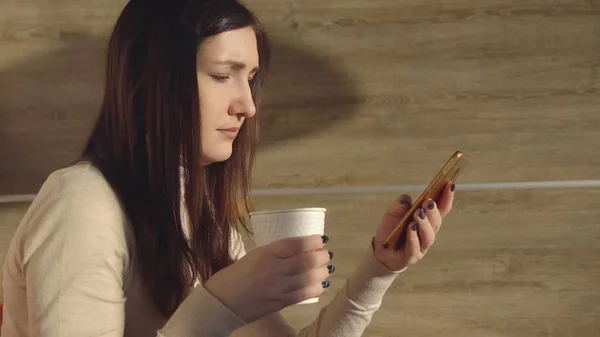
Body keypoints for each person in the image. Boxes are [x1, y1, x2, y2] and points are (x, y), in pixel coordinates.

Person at [1, 0, 456, 336]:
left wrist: (378, 268)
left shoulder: (201, 218)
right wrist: (219, 304)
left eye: (251, 78)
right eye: (223, 75)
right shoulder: (81, 204)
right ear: (152, 81)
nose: (248, 105)